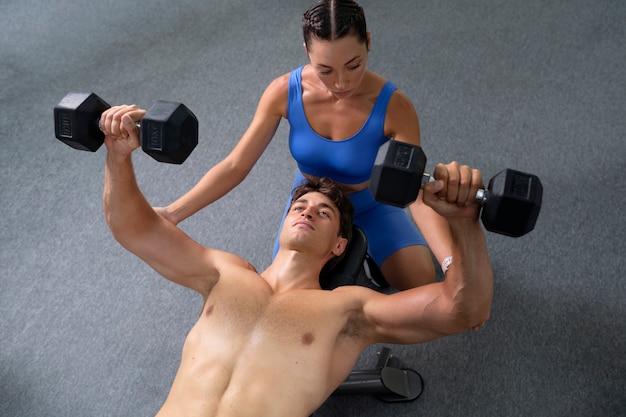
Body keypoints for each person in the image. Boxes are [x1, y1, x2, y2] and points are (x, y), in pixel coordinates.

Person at [99, 104, 493, 417]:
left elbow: (464, 309)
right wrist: (118, 157)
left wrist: (464, 225)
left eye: (324, 213)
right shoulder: (225, 273)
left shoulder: (349, 310)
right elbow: (134, 229)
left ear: (340, 246)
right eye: (300, 205)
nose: (307, 212)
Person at [153, 0, 455, 290]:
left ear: (369, 42)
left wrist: (451, 264)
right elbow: (236, 165)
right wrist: (172, 213)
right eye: (326, 70)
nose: (341, 83)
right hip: (311, 204)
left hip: (369, 204)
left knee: (422, 280)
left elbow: (414, 192)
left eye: (353, 65)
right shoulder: (283, 92)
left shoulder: (395, 107)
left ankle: (368, 262)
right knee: (290, 292)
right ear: (307, 53)